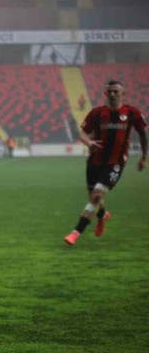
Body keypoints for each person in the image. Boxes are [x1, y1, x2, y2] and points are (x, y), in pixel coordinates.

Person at [64, 80, 147, 245]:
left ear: (123, 93)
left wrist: (144, 157)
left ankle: (75, 233)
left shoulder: (132, 113)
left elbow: (143, 134)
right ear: (105, 94)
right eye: (109, 91)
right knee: (94, 199)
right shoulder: (96, 113)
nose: (112, 94)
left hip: (116, 163)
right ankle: (102, 216)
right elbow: (83, 133)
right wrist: (89, 142)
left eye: (116, 91)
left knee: (96, 197)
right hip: (94, 161)